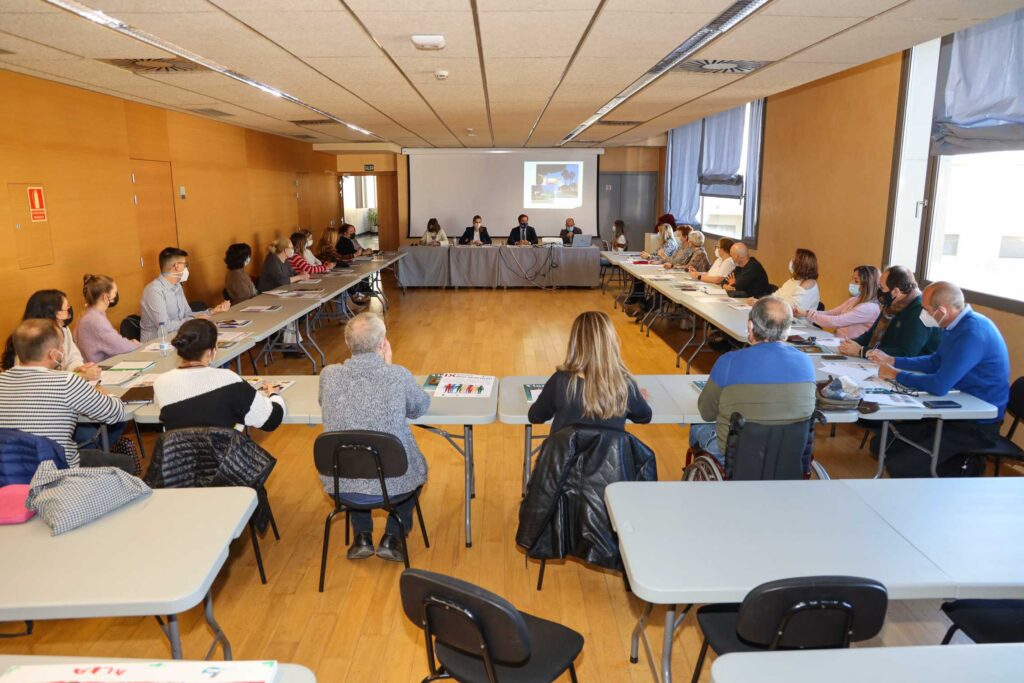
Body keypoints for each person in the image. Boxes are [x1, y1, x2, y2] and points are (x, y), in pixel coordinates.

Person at [318, 312, 430, 563]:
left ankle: (362, 536)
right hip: (393, 483)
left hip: (341, 484)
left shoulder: (329, 375)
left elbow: (323, 401)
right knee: (417, 470)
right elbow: (419, 407)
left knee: (355, 458)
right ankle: (393, 536)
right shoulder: (397, 375)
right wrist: (388, 368)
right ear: (383, 343)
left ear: (347, 343)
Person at [867, 281, 1010, 477]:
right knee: (881, 444)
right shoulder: (953, 324)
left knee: (901, 467)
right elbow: (935, 361)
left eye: (926, 309)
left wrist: (896, 374)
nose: (923, 313)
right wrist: (894, 360)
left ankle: (961, 470)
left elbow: (939, 385)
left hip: (976, 424)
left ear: (942, 310)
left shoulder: (973, 333)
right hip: (954, 410)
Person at [690, 296, 816, 465]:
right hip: (788, 456)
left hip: (736, 454)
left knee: (697, 427)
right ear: (788, 330)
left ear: (750, 326)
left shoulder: (729, 362)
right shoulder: (806, 363)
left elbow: (706, 413)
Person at [0, 319, 131, 470]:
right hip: (57, 470)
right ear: (53, 354)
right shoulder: (66, 382)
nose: (64, 350)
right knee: (126, 463)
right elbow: (116, 413)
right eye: (61, 346)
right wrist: (101, 390)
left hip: (8, 470)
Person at [529, 311, 652, 433]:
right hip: (609, 447)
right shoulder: (625, 384)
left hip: (566, 447)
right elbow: (644, 417)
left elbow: (535, 417)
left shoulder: (560, 381)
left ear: (574, 342)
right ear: (611, 342)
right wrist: (635, 398)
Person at [154, 319, 286, 431]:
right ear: (211, 351)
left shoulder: (160, 382)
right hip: (222, 452)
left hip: (179, 453)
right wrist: (274, 394)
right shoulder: (228, 380)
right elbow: (271, 420)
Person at [838, 265, 939, 359]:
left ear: (895, 291)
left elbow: (906, 353)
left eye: (882, 288)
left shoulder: (920, 310)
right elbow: (871, 333)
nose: (879, 291)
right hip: (883, 359)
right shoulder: (892, 302)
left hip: (912, 366)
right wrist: (852, 344)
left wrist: (862, 351)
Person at [140, 247, 230, 342]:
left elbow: (187, 314)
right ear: (177, 266)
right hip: (156, 344)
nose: (186, 268)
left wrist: (212, 311)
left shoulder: (177, 286)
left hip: (179, 337)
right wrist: (192, 319)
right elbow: (165, 326)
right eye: (185, 264)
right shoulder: (154, 291)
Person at [2, 290, 97, 379]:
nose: (69, 311)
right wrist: (78, 376)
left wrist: (77, 368)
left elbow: (73, 355)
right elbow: (41, 378)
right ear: (54, 313)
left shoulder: (63, 329)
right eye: (66, 308)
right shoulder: (30, 340)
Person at [796, 265, 881, 338]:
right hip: (838, 340)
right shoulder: (854, 300)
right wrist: (809, 312)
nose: (851, 283)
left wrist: (807, 314)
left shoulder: (869, 308)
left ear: (867, 285)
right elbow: (831, 313)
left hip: (849, 345)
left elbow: (836, 321)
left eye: (856, 281)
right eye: (852, 279)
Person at [75, 274, 140, 363]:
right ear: (105, 297)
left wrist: (128, 343)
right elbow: (118, 345)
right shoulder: (94, 320)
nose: (116, 295)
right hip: (101, 367)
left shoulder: (90, 314)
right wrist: (134, 344)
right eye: (114, 292)